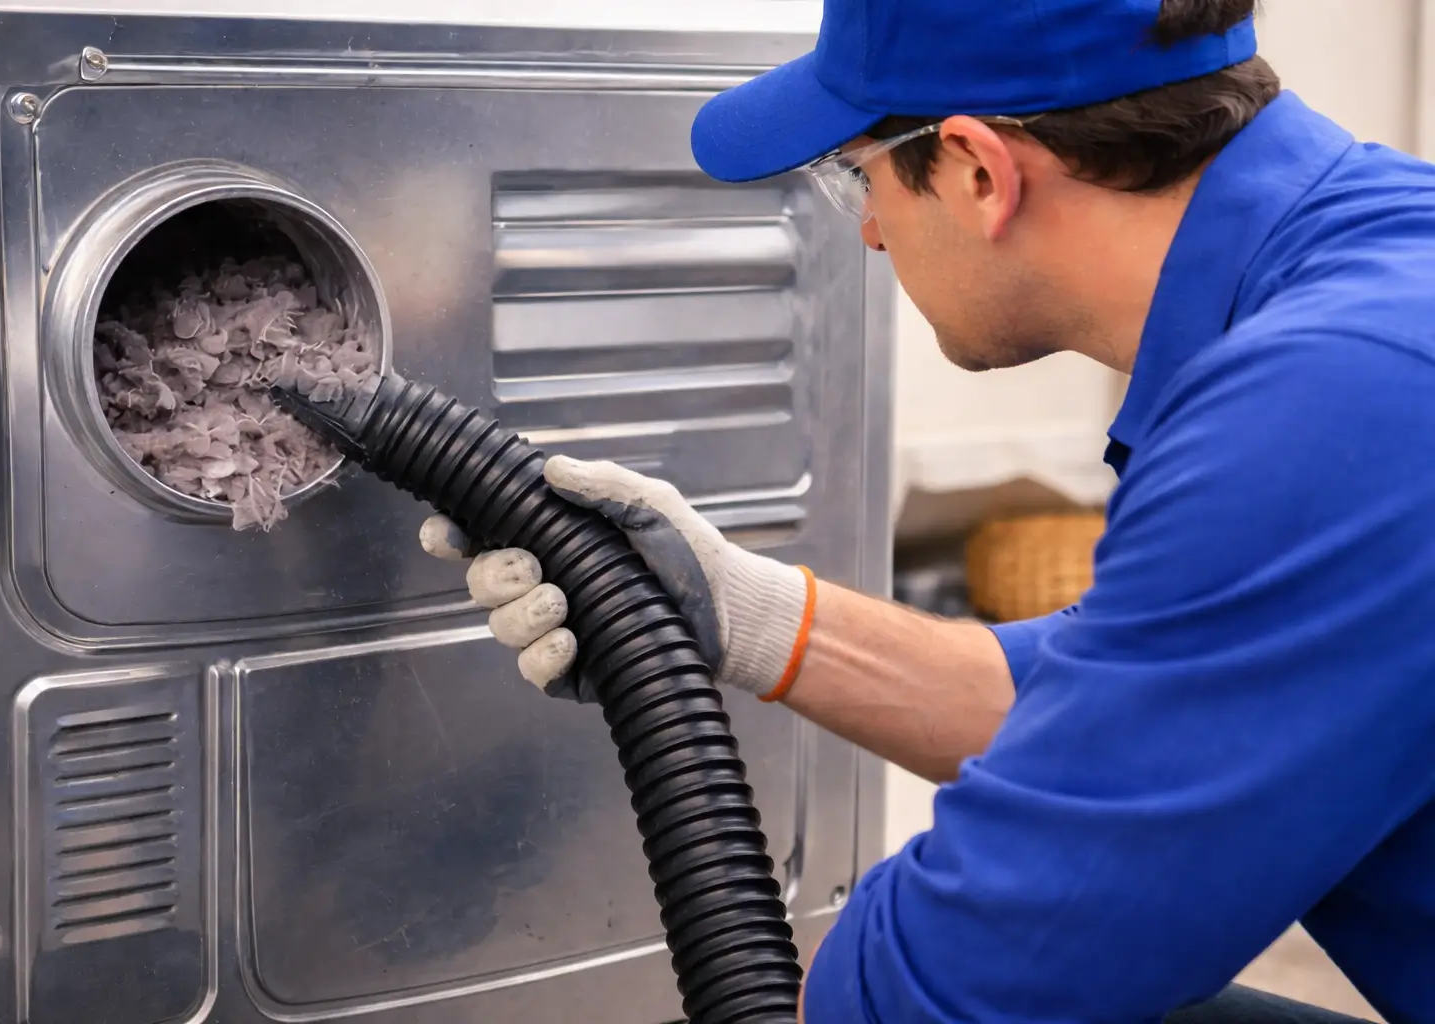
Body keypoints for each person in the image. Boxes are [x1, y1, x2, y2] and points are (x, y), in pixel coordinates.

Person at [419, 0, 1435, 1019]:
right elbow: (1131, 706)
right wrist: (738, 611)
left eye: (855, 173)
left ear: (978, 171)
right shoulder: (1376, 270)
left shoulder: (1330, 401)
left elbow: (980, 968)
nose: (864, 228)